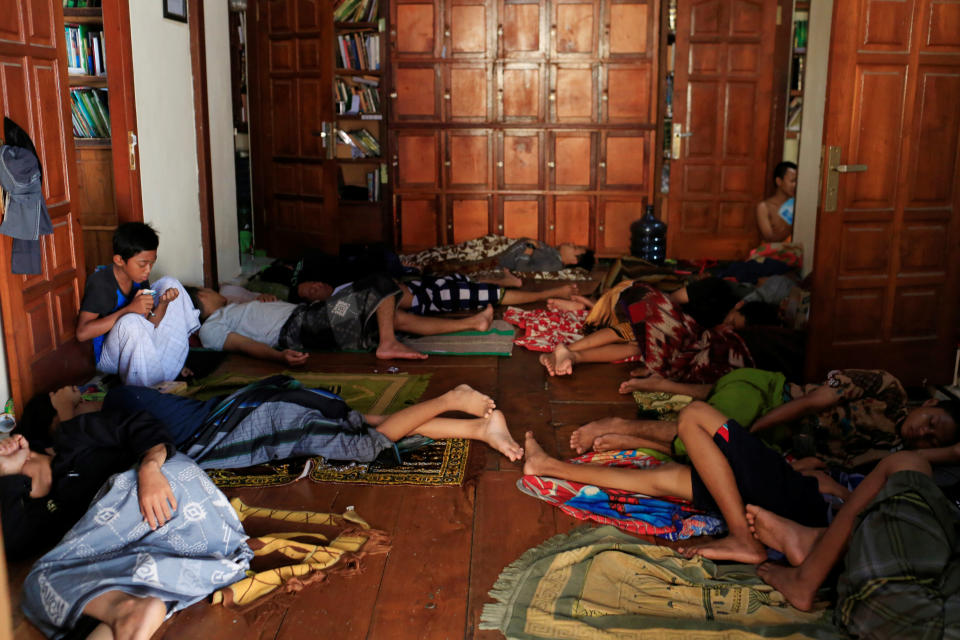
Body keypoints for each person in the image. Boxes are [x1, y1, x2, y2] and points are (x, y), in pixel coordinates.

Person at [6, 377, 520, 555]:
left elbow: (145, 431)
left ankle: (454, 397)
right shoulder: (49, 504)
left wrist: (149, 467)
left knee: (364, 446)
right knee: (362, 426)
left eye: (10, 439)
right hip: (251, 426)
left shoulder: (76, 437)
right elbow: (19, 537)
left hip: (255, 423)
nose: (11, 442)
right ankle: (478, 428)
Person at [524, 401, 846, 563]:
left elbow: (827, 489)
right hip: (784, 505)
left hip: (794, 500)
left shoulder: (853, 502)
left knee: (694, 414)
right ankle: (546, 465)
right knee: (660, 480)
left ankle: (741, 536)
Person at [745, 447, 960, 638]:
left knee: (907, 463)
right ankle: (817, 541)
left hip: (910, 615)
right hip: (932, 599)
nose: (924, 432)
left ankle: (807, 575)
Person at [593, 368, 958, 468]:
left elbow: (934, 455)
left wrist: (951, 450)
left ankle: (666, 399)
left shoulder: (893, 451)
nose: (923, 433)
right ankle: (622, 427)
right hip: (773, 395)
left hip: (779, 439)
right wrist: (749, 433)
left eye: (931, 439)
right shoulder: (888, 388)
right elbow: (813, 402)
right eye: (931, 423)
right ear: (930, 402)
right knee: (714, 438)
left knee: (717, 457)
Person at [539, 278, 777, 380]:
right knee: (641, 326)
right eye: (733, 321)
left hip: (650, 324)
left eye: (733, 329)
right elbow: (666, 301)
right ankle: (572, 342)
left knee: (638, 347)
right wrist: (662, 330)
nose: (727, 326)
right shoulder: (716, 289)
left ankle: (574, 355)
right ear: (739, 305)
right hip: (639, 298)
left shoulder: (724, 335)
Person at [75, 222, 199, 386]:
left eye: (152, 263)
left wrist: (163, 304)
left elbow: (149, 324)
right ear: (119, 260)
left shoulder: (140, 279)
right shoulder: (101, 284)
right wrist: (128, 310)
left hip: (137, 343)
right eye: (142, 264)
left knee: (171, 283)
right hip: (108, 358)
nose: (148, 270)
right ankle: (147, 389)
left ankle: (169, 367)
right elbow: (82, 333)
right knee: (131, 321)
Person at [756, 161, 797, 243]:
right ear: (779, 181)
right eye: (792, 181)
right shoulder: (764, 207)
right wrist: (792, 226)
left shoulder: (798, 205)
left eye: (797, 181)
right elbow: (770, 238)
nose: (795, 185)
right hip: (773, 253)